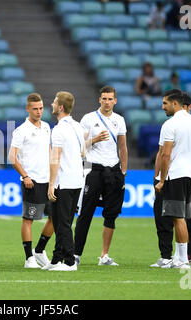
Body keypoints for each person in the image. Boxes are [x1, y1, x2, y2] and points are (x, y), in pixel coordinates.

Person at [154, 90, 191, 269]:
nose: (163, 107)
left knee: (178, 218)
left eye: (165, 103)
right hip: (190, 175)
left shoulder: (170, 124)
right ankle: (179, 258)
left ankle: (183, 260)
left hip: (176, 174)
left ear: (175, 104)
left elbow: (165, 154)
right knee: (182, 217)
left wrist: (162, 180)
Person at [74, 86, 128, 267]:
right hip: (94, 171)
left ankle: (104, 255)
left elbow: (123, 147)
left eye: (110, 99)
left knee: (111, 215)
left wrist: (123, 171)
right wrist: (94, 140)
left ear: (115, 101)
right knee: (85, 213)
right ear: (99, 99)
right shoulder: (89, 118)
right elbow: (80, 146)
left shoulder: (119, 120)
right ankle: (76, 254)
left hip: (113, 171)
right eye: (104, 98)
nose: (107, 102)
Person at [8, 93, 54, 269]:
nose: (39, 112)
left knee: (55, 217)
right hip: (32, 181)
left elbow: (50, 152)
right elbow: (12, 157)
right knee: (29, 219)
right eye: (35, 109)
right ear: (28, 109)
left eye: (41, 108)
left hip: (48, 180)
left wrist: (54, 175)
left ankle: (40, 250)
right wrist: (25, 176)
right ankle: (29, 258)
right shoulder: (21, 130)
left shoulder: (47, 127)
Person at [45, 91, 85, 271]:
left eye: (54, 102)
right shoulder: (77, 126)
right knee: (65, 220)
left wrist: (51, 184)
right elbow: (83, 152)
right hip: (77, 179)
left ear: (60, 107)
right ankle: (56, 260)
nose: (52, 104)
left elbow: (55, 158)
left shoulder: (59, 129)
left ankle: (69, 262)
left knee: (62, 223)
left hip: (64, 181)